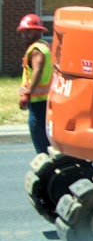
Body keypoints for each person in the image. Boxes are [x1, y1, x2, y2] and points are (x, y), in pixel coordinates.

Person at [16, 13, 52, 154]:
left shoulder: (36, 50)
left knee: (41, 143)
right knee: (44, 139)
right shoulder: (44, 46)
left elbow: (37, 72)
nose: (25, 35)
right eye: (23, 32)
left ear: (38, 31)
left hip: (38, 103)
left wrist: (27, 94)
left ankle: (47, 170)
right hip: (44, 101)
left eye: (28, 31)